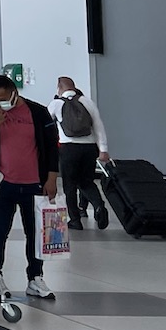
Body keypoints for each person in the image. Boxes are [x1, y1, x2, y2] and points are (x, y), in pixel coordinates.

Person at [0, 73, 60, 299]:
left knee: (36, 233)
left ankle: (35, 277)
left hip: (35, 184)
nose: (1, 102)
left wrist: (51, 177)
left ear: (14, 92)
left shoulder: (37, 111)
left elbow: (52, 147)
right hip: (3, 184)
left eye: (5, 98)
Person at [51, 76, 111, 229]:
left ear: (59, 87)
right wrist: (103, 149)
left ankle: (75, 220)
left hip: (68, 149)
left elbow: (46, 126)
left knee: (69, 185)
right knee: (86, 182)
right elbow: (98, 126)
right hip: (89, 148)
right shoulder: (87, 101)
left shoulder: (56, 104)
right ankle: (99, 206)